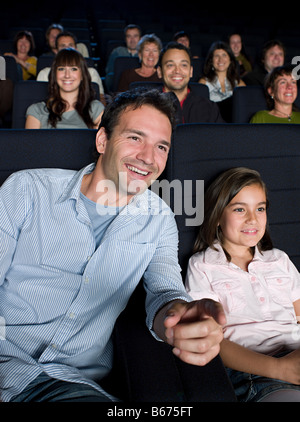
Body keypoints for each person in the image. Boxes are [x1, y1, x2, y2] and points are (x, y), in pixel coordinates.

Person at [1, 88, 225, 402]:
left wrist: (180, 317)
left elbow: (165, 291)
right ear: (102, 140)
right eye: (135, 138)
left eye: (161, 146)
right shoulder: (26, 190)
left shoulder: (159, 219)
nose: (148, 157)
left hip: (68, 385)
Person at [185, 167, 300, 402]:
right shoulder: (203, 266)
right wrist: (279, 369)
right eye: (240, 209)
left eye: (260, 209)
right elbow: (212, 340)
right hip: (256, 371)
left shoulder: (279, 260)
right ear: (217, 216)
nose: (253, 219)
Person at [25, 48, 104, 129]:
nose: (67, 75)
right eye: (61, 69)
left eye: (73, 69)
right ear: (55, 74)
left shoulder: (96, 109)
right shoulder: (37, 111)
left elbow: (100, 141)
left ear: (82, 75)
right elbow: (30, 141)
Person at [157, 42, 223, 124]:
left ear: (191, 71)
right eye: (170, 65)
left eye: (184, 65)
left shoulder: (209, 108)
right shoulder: (147, 107)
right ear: (159, 72)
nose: (177, 71)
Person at [37, 31, 105, 105]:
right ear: (56, 51)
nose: (67, 49)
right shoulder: (44, 74)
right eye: (63, 46)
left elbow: (101, 99)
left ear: (76, 49)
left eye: (70, 45)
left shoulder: (91, 72)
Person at [199, 41, 245, 122]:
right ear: (211, 60)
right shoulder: (203, 83)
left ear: (230, 59)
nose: (221, 59)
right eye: (217, 56)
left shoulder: (239, 83)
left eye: (224, 55)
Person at [105, 24, 142, 92]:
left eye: (135, 36)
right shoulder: (117, 52)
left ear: (140, 38)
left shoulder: (145, 54)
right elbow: (109, 72)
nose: (132, 40)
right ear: (125, 39)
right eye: (129, 36)